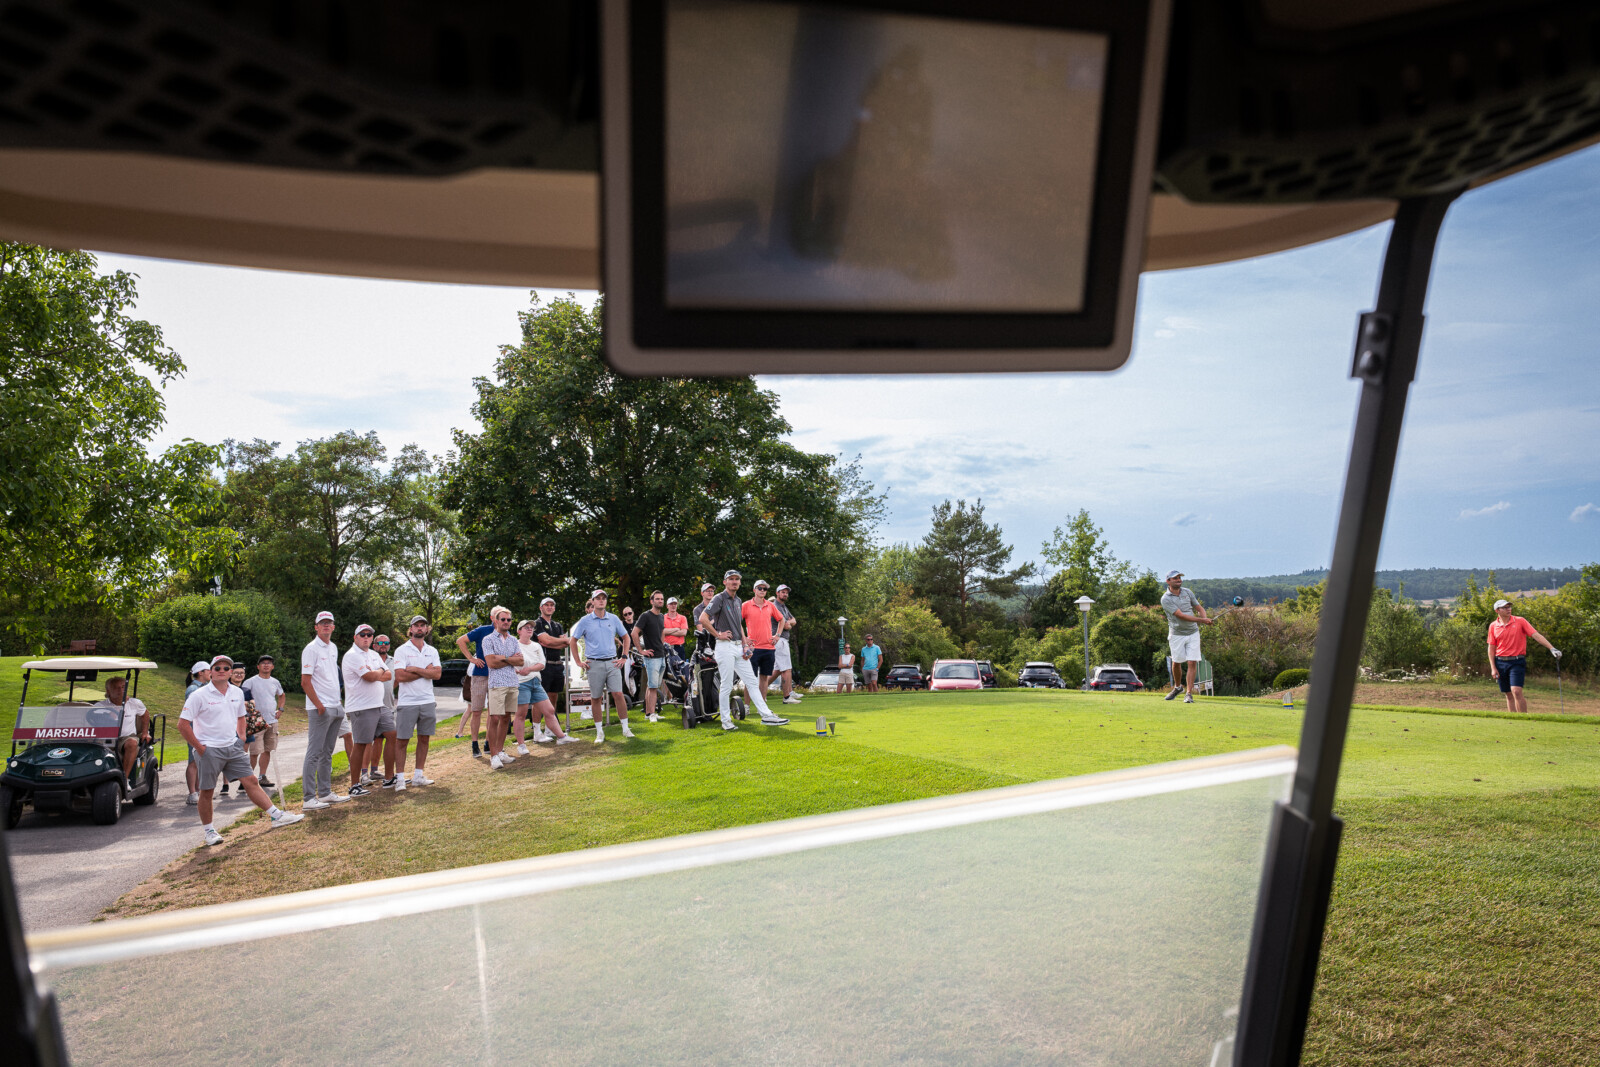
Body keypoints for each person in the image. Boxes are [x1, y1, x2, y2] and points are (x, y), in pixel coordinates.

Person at [178, 654, 303, 845]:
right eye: (217, 668)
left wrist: (241, 737)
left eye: (226, 668)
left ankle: (276, 816)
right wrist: (200, 748)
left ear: (230, 672)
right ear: (210, 672)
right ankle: (209, 832)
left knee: (251, 781)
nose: (222, 671)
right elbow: (182, 724)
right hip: (209, 750)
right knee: (207, 791)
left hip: (233, 747)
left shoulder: (236, 692)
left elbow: (241, 717)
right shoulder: (199, 695)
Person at [704, 570, 788, 729]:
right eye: (731, 579)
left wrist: (745, 644)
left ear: (740, 582)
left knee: (752, 682)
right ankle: (726, 722)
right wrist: (718, 634)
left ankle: (766, 716)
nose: (734, 581)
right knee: (727, 686)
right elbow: (703, 618)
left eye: (737, 579)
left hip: (738, 647)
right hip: (724, 647)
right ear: (725, 582)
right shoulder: (719, 598)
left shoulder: (738, 600)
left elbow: (738, 625)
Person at [570, 590, 634, 742]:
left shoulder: (613, 618)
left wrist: (624, 656)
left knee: (618, 694)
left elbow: (626, 637)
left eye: (603, 598)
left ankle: (625, 729)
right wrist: (578, 662)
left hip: (612, 662)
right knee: (596, 698)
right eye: (597, 598)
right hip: (594, 664)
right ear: (592, 601)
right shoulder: (585, 620)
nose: (601, 600)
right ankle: (599, 732)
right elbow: (573, 641)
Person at [301, 610, 350, 810]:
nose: (326, 626)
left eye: (329, 622)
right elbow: (305, 681)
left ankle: (325, 793)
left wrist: (337, 702)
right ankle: (308, 799)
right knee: (314, 752)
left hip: (335, 705)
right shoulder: (311, 649)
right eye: (322, 623)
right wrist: (319, 705)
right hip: (320, 708)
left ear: (333, 626)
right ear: (316, 627)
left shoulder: (333, 647)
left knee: (327, 752)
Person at [342, 624, 393, 796]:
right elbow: (369, 677)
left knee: (393, 735)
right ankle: (354, 785)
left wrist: (377, 672)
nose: (366, 637)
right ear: (355, 637)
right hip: (361, 707)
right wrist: (380, 670)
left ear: (372, 638)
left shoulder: (373, 654)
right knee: (361, 744)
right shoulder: (352, 655)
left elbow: (389, 675)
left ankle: (389, 778)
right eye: (362, 634)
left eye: (369, 635)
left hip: (379, 705)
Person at [391, 615, 442, 787]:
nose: (420, 628)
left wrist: (414, 669)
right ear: (411, 629)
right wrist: (425, 671)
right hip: (407, 702)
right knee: (402, 740)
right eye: (416, 625)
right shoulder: (401, 650)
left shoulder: (432, 650)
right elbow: (400, 676)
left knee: (424, 739)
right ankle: (400, 779)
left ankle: (418, 776)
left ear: (427, 629)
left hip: (427, 700)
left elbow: (437, 674)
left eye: (423, 625)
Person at [1487, 598, 1562, 714]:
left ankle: (1524, 718)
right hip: (1500, 662)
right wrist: (1493, 667)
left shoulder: (1520, 621)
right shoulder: (1493, 626)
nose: (1508, 609)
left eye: (1509, 607)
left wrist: (1552, 648)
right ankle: (1513, 720)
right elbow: (1491, 648)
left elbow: (1536, 635)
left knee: (1516, 691)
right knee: (1508, 694)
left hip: (1517, 661)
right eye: (1505, 607)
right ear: (1497, 610)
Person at [516, 618, 576, 745]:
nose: (530, 629)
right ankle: (524, 744)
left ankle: (560, 736)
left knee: (549, 710)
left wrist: (529, 668)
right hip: (522, 682)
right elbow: (515, 663)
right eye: (526, 627)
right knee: (521, 714)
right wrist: (561, 640)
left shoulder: (537, 645)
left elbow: (541, 664)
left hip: (536, 681)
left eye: (531, 627)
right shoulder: (514, 645)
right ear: (519, 631)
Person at [479, 606, 524, 768]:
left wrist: (502, 658)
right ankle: (493, 756)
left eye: (509, 620)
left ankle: (500, 751)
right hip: (497, 684)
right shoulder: (488, 639)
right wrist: (510, 658)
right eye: (503, 619)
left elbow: (521, 661)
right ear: (496, 621)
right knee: (494, 718)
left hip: (512, 682)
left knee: (506, 718)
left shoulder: (513, 640)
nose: (506, 622)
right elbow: (491, 663)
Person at [1160, 570, 1214, 704]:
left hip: (1193, 632)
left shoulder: (1187, 592)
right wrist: (1202, 621)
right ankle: (1178, 687)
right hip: (1177, 634)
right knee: (1177, 662)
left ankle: (1188, 693)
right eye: (1175, 578)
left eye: (1179, 577)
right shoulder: (1165, 599)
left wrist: (1205, 618)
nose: (1179, 580)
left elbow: (1199, 608)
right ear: (1168, 581)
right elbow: (1181, 616)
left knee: (1192, 662)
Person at [95, 676, 149, 786]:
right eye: (116, 688)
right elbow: (93, 721)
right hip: (106, 738)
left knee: (132, 743)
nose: (121, 690)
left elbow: (145, 715)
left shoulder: (134, 703)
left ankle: (124, 779)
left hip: (126, 737)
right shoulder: (100, 706)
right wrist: (107, 715)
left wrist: (145, 732)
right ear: (108, 691)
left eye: (123, 687)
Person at [455, 616, 496, 757]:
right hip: (480, 676)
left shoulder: (505, 633)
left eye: (507, 619)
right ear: (493, 617)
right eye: (500, 617)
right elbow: (460, 641)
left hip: (496, 677)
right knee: (476, 711)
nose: (504, 621)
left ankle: (488, 743)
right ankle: (475, 745)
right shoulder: (483, 630)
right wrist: (471, 659)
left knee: (493, 712)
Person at [243, 655, 284, 788]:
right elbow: (243, 699)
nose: (266, 665)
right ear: (258, 666)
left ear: (272, 667)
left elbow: (281, 695)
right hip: (256, 722)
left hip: (272, 721)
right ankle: (247, 779)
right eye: (263, 663)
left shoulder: (275, 682)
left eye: (269, 663)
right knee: (254, 752)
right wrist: (251, 714)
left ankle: (262, 776)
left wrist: (280, 709)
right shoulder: (250, 682)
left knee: (268, 750)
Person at [742, 580, 785, 703]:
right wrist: (744, 638)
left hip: (769, 648)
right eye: (759, 588)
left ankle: (763, 706)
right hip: (752, 648)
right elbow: (736, 622)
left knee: (764, 677)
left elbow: (781, 620)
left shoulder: (770, 605)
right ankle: (746, 706)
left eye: (764, 589)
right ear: (754, 590)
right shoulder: (746, 605)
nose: (762, 590)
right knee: (750, 679)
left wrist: (777, 635)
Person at [531, 597, 570, 730]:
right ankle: (536, 730)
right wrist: (556, 641)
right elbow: (545, 641)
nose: (549, 607)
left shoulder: (557, 625)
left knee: (553, 696)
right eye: (546, 605)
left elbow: (565, 644)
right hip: (543, 665)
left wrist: (551, 642)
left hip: (557, 665)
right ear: (541, 607)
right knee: (539, 699)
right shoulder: (537, 623)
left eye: (551, 605)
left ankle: (550, 729)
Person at [632, 590, 670, 722]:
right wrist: (641, 650)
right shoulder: (645, 616)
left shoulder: (661, 616)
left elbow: (662, 631)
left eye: (662, 599)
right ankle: (653, 714)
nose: (660, 601)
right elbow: (634, 633)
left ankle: (648, 713)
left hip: (661, 655)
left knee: (652, 686)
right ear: (652, 601)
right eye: (657, 599)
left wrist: (661, 644)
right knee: (653, 687)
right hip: (651, 658)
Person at [772, 585, 803, 705]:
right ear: (777, 593)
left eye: (786, 592)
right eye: (783, 592)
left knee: (778, 670)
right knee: (786, 669)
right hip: (779, 639)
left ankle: (759, 690)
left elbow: (793, 620)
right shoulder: (775, 606)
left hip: (783, 640)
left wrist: (788, 622)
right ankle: (787, 697)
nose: (785, 594)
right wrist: (788, 623)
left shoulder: (783, 607)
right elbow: (785, 625)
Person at [184, 660, 209, 805]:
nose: (211, 673)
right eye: (208, 671)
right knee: (193, 761)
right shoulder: (193, 689)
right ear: (201, 673)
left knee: (200, 761)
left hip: (202, 730)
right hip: (194, 730)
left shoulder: (203, 687)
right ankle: (192, 793)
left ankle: (198, 791)